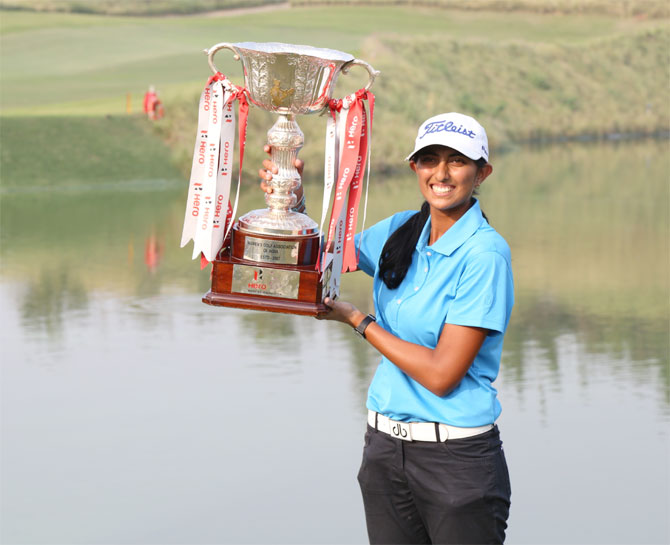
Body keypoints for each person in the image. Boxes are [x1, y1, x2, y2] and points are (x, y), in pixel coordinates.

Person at [260, 112, 514, 544]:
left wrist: (357, 320)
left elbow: (441, 374)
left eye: (457, 161)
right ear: (414, 166)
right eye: (429, 160)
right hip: (384, 451)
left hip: (456, 462)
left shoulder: (484, 255)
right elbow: (325, 256)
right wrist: (292, 200)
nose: (441, 173)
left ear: (482, 173)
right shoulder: (401, 229)